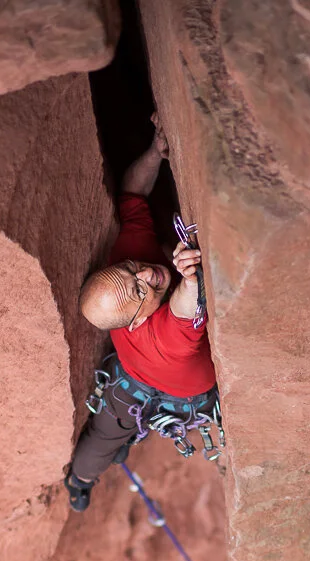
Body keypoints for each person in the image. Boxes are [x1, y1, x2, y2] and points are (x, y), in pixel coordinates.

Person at [65, 113, 219, 512]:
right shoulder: (167, 336)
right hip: (178, 396)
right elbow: (185, 308)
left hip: (128, 382)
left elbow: (132, 194)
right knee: (100, 441)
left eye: (132, 270)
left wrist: (154, 152)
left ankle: (86, 473)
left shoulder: (129, 261)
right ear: (134, 320)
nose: (148, 274)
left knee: (106, 434)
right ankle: (79, 482)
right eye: (139, 290)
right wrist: (188, 277)